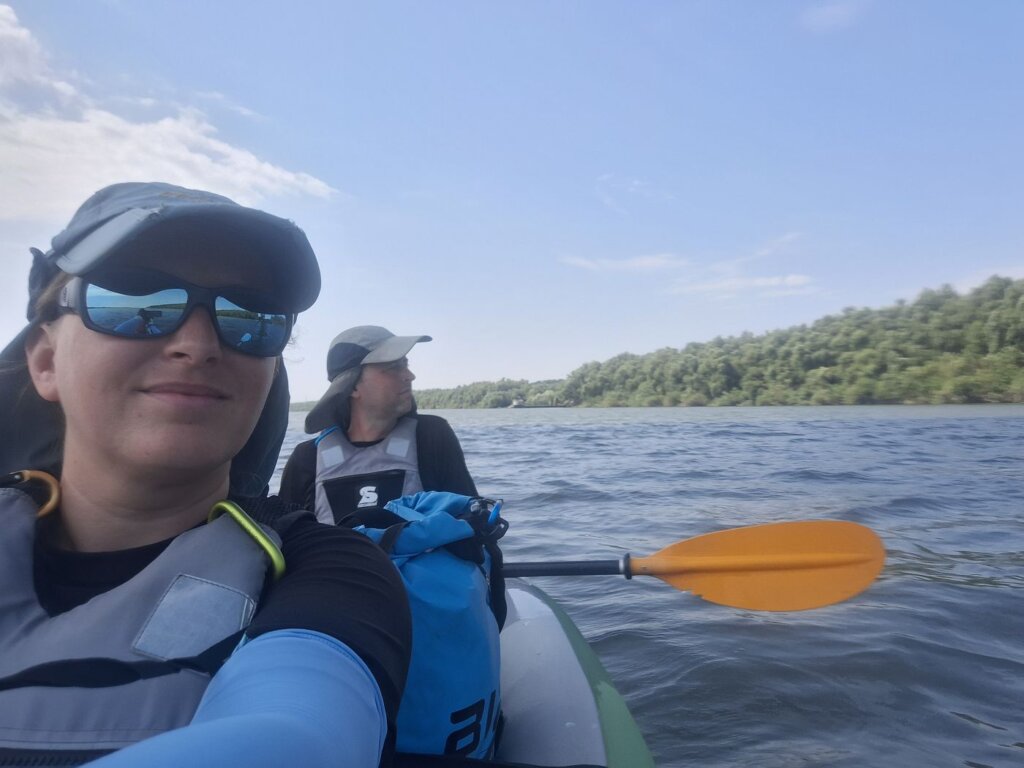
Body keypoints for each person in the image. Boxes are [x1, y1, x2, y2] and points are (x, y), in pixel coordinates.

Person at [0, 183, 411, 768]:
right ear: (45, 362)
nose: (198, 344)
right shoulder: (313, 455)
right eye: (132, 300)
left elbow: (303, 732)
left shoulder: (330, 576)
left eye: (249, 316)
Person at [279, 326, 477, 524]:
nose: (409, 375)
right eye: (393, 367)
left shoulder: (431, 436)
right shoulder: (306, 459)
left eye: (405, 364)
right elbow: (284, 541)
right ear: (352, 386)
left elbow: (474, 521)